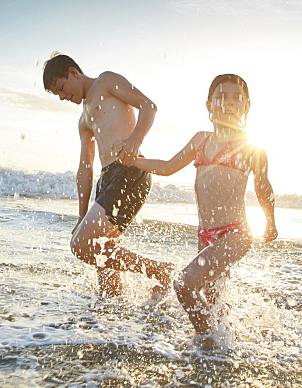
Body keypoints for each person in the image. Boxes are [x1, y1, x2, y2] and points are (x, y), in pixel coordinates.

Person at [119, 74, 277, 349]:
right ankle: (226, 347)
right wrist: (135, 162)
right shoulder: (200, 141)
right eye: (222, 97)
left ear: (246, 107)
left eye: (236, 98)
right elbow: (168, 166)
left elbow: (264, 187)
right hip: (206, 235)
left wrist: (270, 222)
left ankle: (208, 346)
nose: (229, 103)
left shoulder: (252, 147)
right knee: (213, 299)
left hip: (235, 234)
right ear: (209, 105)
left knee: (184, 284)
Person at [43, 54, 173, 297]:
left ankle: (159, 270)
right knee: (103, 259)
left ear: (73, 72)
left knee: (82, 246)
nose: (62, 96)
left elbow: (148, 106)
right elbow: (85, 168)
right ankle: (113, 321)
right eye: (57, 94)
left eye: (61, 88)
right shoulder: (83, 120)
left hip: (130, 171)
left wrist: (135, 141)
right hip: (107, 179)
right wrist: (82, 216)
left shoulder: (106, 81)